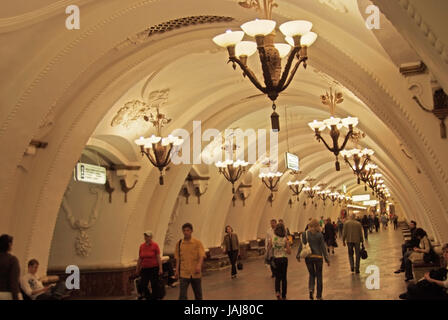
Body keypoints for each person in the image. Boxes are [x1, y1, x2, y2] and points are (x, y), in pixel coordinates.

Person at [299, 219, 329, 300]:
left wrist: (298, 255)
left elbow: (302, 245)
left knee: (311, 274)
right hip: (318, 258)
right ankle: (319, 295)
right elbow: (323, 247)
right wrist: (326, 258)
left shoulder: (305, 234)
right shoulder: (319, 235)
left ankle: (311, 289)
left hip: (308, 258)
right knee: (319, 276)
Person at [175, 223, 206, 300]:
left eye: (188, 230)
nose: (186, 232)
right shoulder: (179, 244)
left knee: (198, 295)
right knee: (182, 296)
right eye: (184, 230)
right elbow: (178, 258)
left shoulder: (197, 243)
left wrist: (199, 265)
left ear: (191, 231)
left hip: (195, 273)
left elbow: (201, 255)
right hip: (184, 273)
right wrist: (176, 270)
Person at [136, 230, 163, 300]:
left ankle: (154, 297)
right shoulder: (142, 246)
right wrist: (137, 269)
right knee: (143, 284)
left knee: (154, 284)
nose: (146, 237)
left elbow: (158, 257)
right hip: (144, 268)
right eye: (145, 236)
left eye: (147, 236)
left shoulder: (155, 245)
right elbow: (140, 258)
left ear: (151, 237)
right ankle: (148, 297)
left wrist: (160, 268)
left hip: (154, 268)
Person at [268, 224, 291, 300]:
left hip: (276, 259)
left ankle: (277, 292)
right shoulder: (285, 239)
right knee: (284, 277)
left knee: (277, 277)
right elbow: (289, 252)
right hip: (284, 259)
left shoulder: (273, 238)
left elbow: (269, 248)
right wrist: (284, 249)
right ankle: (284, 294)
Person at [0, 234, 20, 300]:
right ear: (9, 244)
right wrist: (16, 297)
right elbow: (13, 282)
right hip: (5, 294)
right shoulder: (12, 260)